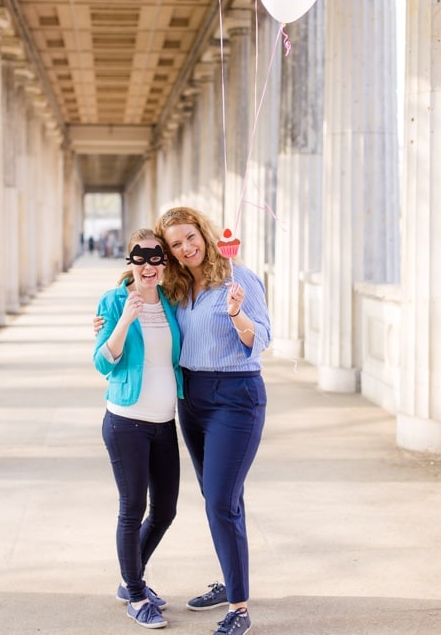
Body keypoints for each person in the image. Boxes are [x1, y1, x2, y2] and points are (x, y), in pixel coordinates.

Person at [155, 206, 270, 635]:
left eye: (190, 237)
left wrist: (238, 313)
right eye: (175, 245)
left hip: (236, 397)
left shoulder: (238, 278)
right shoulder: (179, 286)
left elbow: (262, 338)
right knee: (218, 499)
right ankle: (230, 579)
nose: (186, 248)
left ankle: (239, 609)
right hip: (193, 398)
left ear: (203, 233)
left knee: (222, 500)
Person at [94, 228, 183, 630]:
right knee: (132, 510)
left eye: (156, 258)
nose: (148, 266)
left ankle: (132, 578)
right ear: (129, 261)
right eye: (140, 258)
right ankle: (135, 594)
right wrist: (124, 319)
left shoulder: (171, 302)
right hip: (126, 422)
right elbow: (103, 362)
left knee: (164, 510)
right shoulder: (113, 302)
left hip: (164, 423)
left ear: (165, 263)